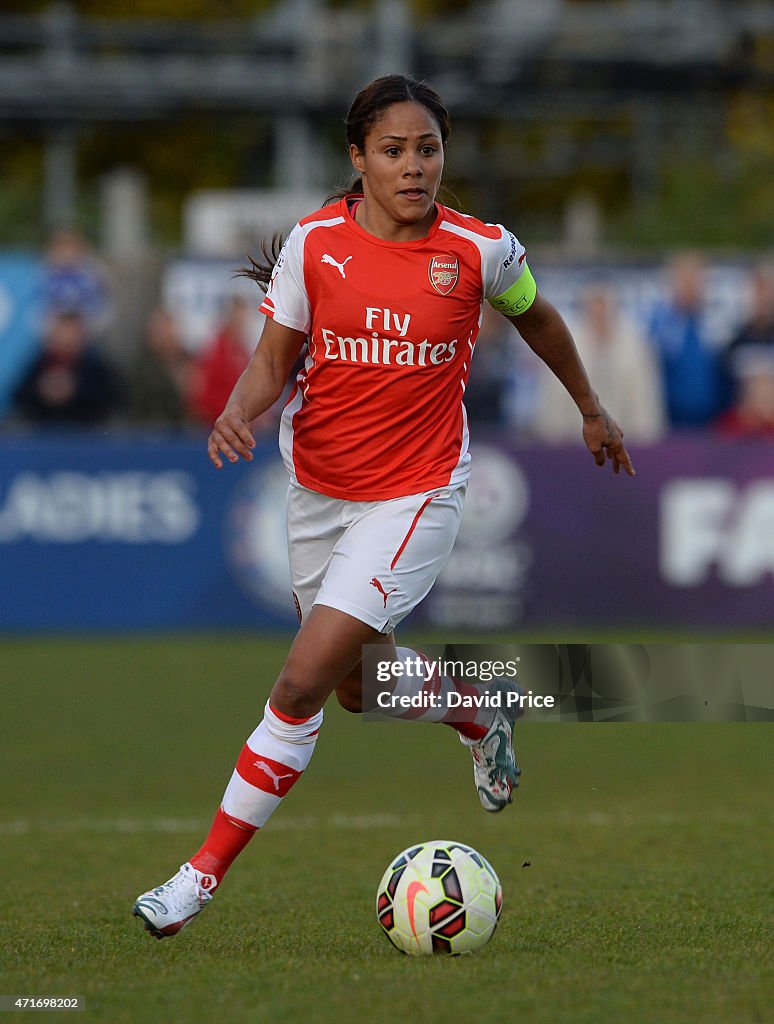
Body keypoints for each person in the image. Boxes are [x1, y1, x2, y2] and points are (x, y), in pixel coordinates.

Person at [132, 74, 634, 940]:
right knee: (363, 688)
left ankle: (194, 880)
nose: (414, 167)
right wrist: (236, 410)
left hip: (416, 493)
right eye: (394, 151)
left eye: (428, 149)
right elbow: (271, 359)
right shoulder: (315, 244)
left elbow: (540, 320)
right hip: (317, 491)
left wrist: (590, 407)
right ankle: (481, 715)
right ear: (357, 158)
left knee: (299, 685)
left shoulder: (480, 251)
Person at [533, 280, 666, 443]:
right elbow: (553, 408)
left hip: (626, 446)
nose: (599, 313)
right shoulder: (563, 348)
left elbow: (645, 406)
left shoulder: (635, 348)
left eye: (604, 306)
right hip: (574, 447)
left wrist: (643, 448)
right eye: (594, 306)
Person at [647, 253, 727, 429]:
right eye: (684, 280)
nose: (690, 286)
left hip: (711, 422)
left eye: (695, 280)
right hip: (671, 422)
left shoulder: (716, 324)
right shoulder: (660, 326)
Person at [13, 308, 121, 425]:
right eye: (62, 331)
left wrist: (76, 390)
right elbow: (20, 397)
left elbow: (113, 400)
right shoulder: (38, 363)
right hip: (42, 434)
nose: (67, 337)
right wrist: (42, 390)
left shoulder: (96, 365)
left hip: (87, 434)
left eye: (72, 331)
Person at [127, 307, 192, 426]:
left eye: (170, 333)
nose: (167, 338)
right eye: (161, 333)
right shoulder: (141, 370)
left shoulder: (191, 363)